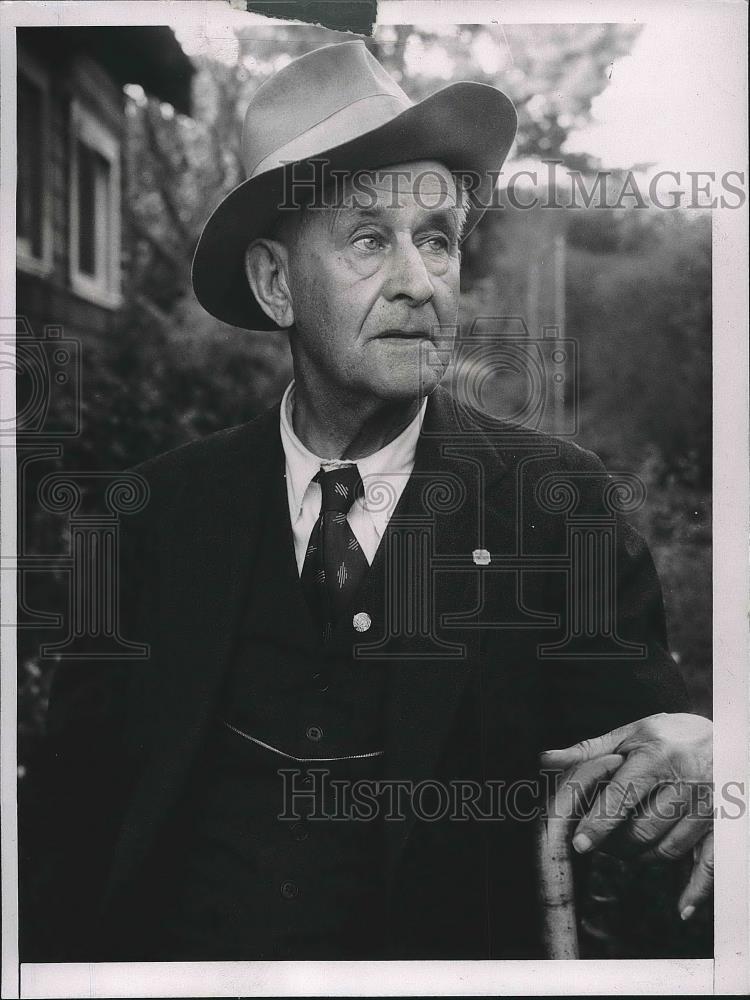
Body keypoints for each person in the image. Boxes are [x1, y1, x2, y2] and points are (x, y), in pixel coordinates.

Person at [33, 40, 712, 962]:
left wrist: (708, 754)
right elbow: (66, 831)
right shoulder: (149, 518)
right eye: (368, 239)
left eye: (437, 240)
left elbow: (658, 806)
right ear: (277, 283)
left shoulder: (559, 510)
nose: (418, 280)